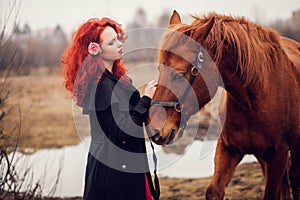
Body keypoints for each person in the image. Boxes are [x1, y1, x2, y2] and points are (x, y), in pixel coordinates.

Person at [61, 17, 158, 200]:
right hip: (113, 172)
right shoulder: (101, 85)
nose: (119, 44)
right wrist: (145, 99)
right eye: (111, 42)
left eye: (118, 39)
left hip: (126, 162)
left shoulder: (117, 79)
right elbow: (121, 131)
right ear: (96, 49)